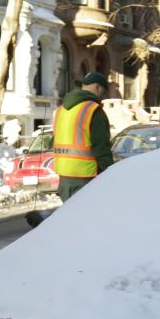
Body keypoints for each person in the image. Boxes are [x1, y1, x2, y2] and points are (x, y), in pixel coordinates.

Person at [26, 71, 115, 227]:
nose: (102, 96)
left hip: (64, 176)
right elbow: (101, 147)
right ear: (97, 88)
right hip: (87, 176)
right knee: (86, 224)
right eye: (103, 92)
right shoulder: (93, 110)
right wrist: (111, 174)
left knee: (73, 220)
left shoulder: (60, 111)